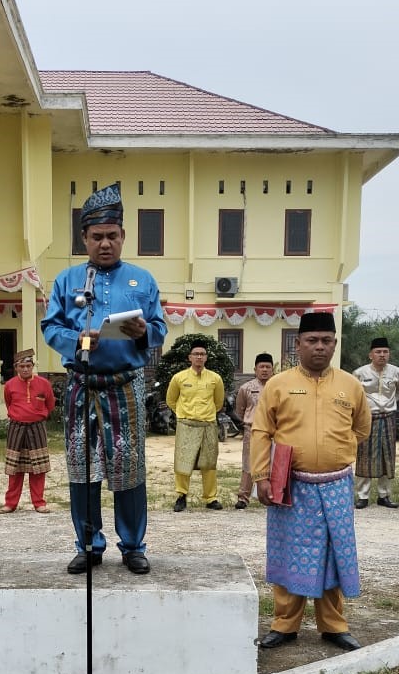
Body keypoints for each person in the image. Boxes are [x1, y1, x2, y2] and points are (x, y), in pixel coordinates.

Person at [41, 182, 167, 575]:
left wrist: (144, 331)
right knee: (82, 468)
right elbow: (50, 327)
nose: (105, 243)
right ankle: (89, 545)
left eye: (112, 236)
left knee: (129, 469)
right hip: (81, 386)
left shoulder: (142, 280)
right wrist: (78, 338)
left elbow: (161, 328)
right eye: (97, 237)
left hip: (126, 387)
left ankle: (132, 546)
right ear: (84, 238)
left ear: (123, 236)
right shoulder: (66, 280)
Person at [252, 312, 371, 651]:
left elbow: (362, 428)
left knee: (334, 555)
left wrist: (336, 449)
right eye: (312, 341)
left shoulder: (350, 385)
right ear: (298, 344)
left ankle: (333, 625)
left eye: (326, 341)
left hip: (336, 484)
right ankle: (284, 624)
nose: (320, 347)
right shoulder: (278, 384)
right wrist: (262, 475)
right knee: (289, 551)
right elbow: (262, 431)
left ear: (334, 344)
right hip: (292, 483)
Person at [167, 340, 225, 511]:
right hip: (186, 424)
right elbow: (171, 400)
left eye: (202, 354)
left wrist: (206, 414)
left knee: (209, 462)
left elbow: (218, 402)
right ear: (190, 357)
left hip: (208, 424)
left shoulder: (215, 378)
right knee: (183, 461)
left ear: (206, 358)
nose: (199, 357)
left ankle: (210, 498)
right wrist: (182, 413)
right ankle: (181, 495)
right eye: (196, 354)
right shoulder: (179, 378)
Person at [0, 348, 56, 514]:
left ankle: (39, 503)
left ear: (33, 366)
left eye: (28, 365)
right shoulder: (9, 385)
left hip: (37, 428)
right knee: (14, 469)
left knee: (38, 468)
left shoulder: (44, 384)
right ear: (16, 367)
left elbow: (50, 404)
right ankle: (10, 503)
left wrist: (38, 414)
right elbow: (9, 403)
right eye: (21, 366)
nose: (25, 369)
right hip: (16, 428)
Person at [353, 336, 399, 509]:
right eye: (378, 352)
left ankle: (384, 495)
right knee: (364, 456)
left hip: (388, 418)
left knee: (387, 457)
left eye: (385, 352)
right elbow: (355, 395)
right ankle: (363, 496)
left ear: (389, 354)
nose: (382, 355)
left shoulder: (396, 372)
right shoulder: (360, 373)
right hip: (368, 419)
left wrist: (390, 403)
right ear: (370, 355)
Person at [233, 353, 274, 510]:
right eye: (261, 367)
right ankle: (243, 497)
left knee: (274, 462)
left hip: (275, 431)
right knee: (248, 463)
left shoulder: (277, 386)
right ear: (255, 369)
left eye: (267, 367)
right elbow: (240, 409)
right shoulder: (246, 388)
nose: (264, 370)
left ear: (272, 369)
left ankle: (272, 495)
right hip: (253, 430)